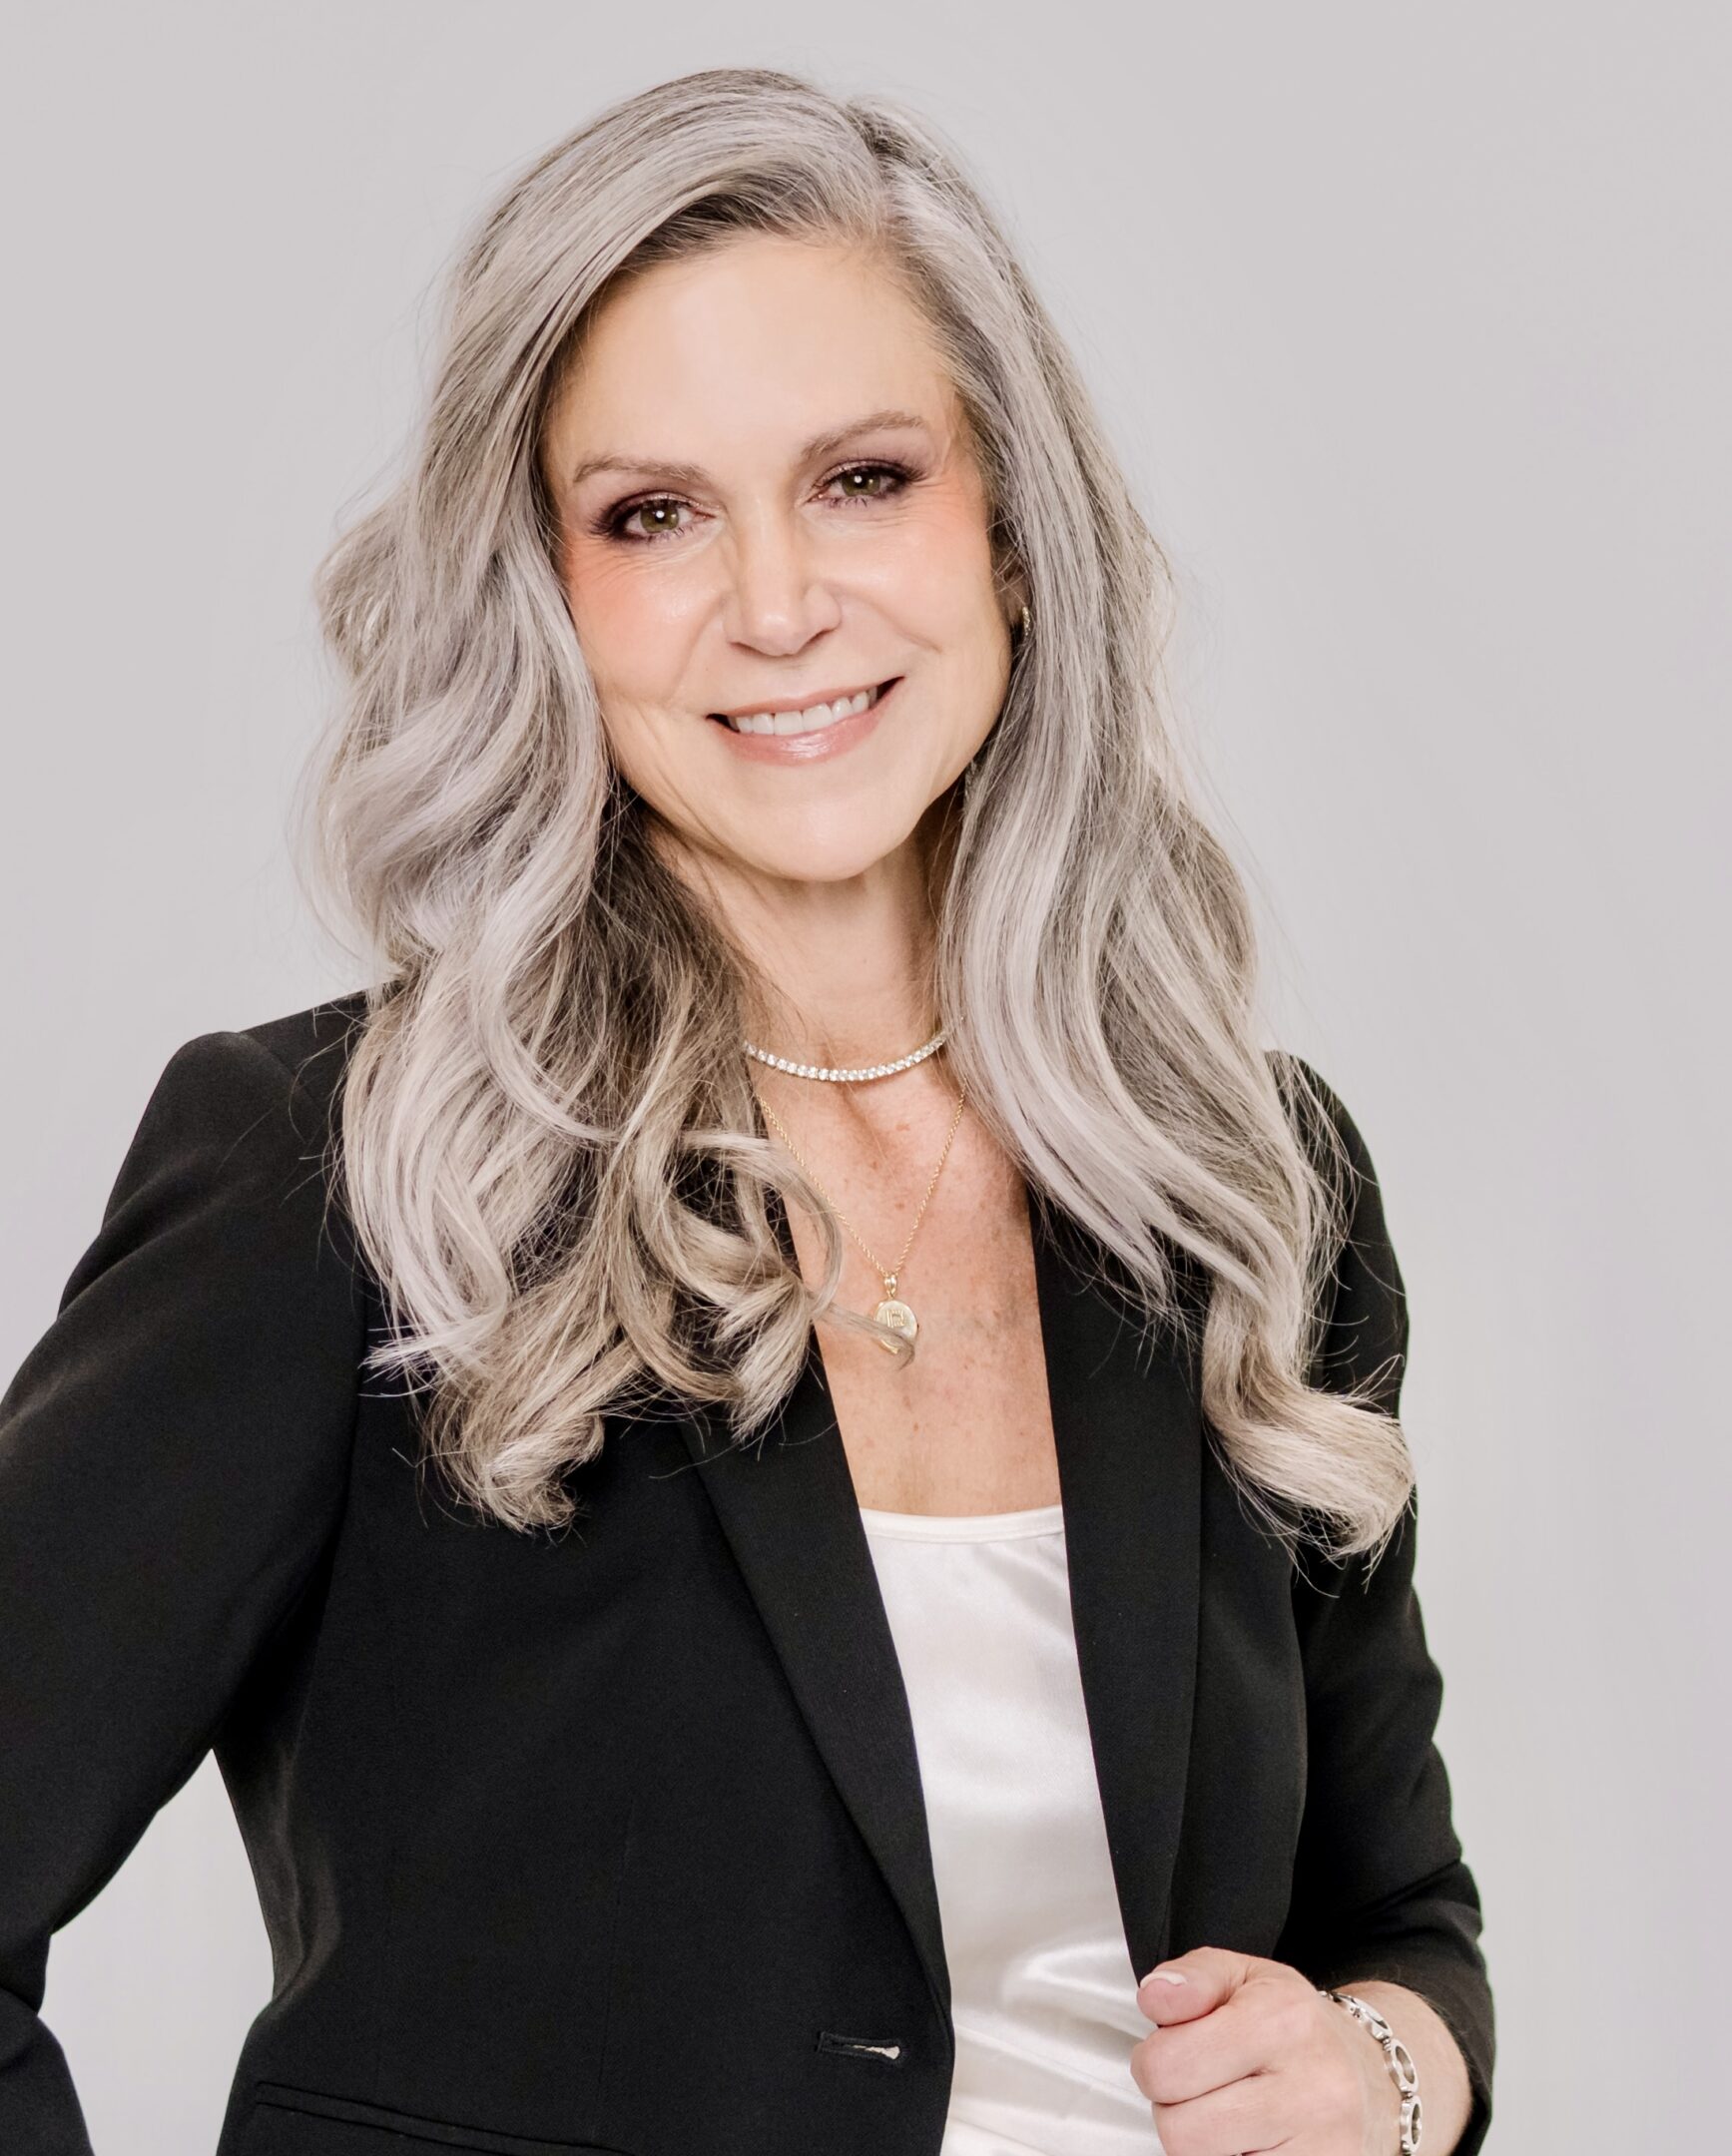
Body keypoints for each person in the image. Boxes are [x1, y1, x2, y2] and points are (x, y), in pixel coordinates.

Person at [0, 65, 1494, 2156]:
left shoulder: (1244, 1186)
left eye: (864, 477)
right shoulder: (342, 1169)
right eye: (652, 514)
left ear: (1009, 529)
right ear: (543, 592)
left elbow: (1399, 1924)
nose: (778, 602)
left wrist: (1390, 2074)